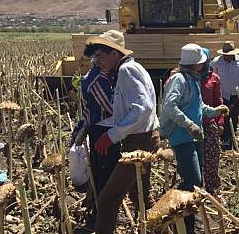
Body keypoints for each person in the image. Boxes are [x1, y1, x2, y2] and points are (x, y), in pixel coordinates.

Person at [88, 30, 160, 234]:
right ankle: (160, 228)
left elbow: (141, 108)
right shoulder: (129, 69)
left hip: (139, 142)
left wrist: (112, 135)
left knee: (108, 199)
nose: (97, 61)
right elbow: (132, 110)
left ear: (114, 53)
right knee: (140, 197)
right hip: (143, 138)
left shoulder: (127, 70)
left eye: (99, 56)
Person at [161, 43, 229, 234]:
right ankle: (178, 215)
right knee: (193, 179)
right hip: (182, 136)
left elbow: (199, 105)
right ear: (195, 64)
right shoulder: (179, 80)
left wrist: (215, 111)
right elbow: (169, 106)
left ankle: (188, 220)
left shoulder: (192, 80)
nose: (204, 65)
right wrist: (189, 124)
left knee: (195, 181)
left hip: (194, 136)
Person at [73, 55, 116, 231]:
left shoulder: (98, 78)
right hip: (102, 129)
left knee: (101, 170)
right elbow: (110, 107)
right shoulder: (96, 80)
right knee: (104, 171)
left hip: (100, 128)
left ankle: (98, 209)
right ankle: (99, 213)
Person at [212, 41, 239, 150]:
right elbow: (212, 77)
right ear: (223, 54)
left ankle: (232, 137)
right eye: (227, 55)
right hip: (223, 94)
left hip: (236, 94)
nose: (229, 57)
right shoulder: (216, 62)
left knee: (234, 116)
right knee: (223, 117)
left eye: (231, 55)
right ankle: (224, 139)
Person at [199, 48, 225, 198]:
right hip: (191, 125)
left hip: (209, 124)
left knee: (212, 157)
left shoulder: (214, 78)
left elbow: (218, 102)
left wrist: (220, 122)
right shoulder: (189, 78)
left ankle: (212, 190)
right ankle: (196, 191)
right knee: (195, 160)